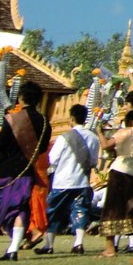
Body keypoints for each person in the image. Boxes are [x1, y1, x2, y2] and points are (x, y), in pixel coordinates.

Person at [0, 81, 52, 261]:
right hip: (26, 171)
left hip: (5, 171)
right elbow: (42, 149)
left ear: (21, 97)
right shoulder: (44, 122)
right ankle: (12, 250)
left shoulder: (13, 119)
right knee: (20, 209)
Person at [36, 104, 99, 256]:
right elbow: (93, 161)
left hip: (62, 181)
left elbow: (53, 159)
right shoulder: (94, 138)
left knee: (53, 212)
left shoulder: (64, 138)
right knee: (80, 211)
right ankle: (78, 243)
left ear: (71, 118)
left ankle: (49, 245)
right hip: (82, 181)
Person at [97, 108, 133, 258]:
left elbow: (106, 145)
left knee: (112, 210)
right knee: (129, 209)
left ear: (131, 121)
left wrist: (99, 132)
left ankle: (109, 248)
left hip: (119, 173)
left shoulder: (126, 132)